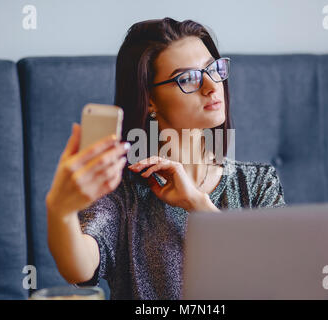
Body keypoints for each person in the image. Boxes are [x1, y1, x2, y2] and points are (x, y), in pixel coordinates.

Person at [45, 17, 287, 300]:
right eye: (187, 78)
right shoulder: (124, 193)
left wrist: (198, 205)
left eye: (213, 69)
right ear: (150, 99)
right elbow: (79, 268)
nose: (211, 85)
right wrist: (59, 211)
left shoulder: (257, 183)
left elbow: (278, 276)